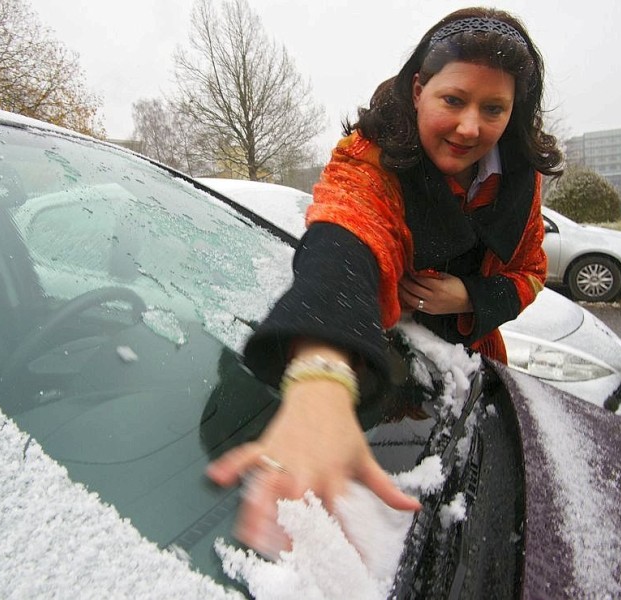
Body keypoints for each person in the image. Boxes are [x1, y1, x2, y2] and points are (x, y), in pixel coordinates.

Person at [207, 6, 563, 559]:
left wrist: (470, 295)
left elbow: (530, 273)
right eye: (453, 100)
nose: (471, 127)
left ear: (514, 112)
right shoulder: (369, 158)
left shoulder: (522, 182)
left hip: (474, 373)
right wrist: (320, 373)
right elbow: (349, 233)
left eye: (493, 108)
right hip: (385, 378)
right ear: (419, 88)